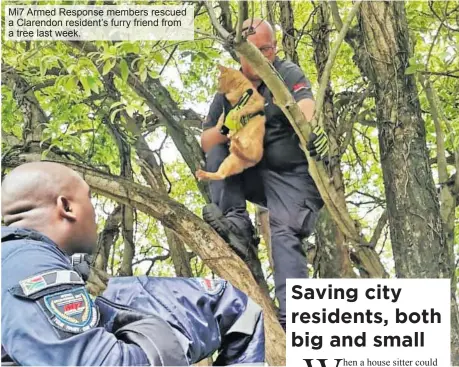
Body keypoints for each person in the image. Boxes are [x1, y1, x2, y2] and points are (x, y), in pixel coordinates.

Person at [1, 162, 264, 366]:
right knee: (229, 302)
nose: (94, 212)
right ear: (67, 206)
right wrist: (159, 337)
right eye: (90, 198)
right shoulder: (27, 261)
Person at [201, 19, 327, 329]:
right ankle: (237, 223)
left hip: (291, 178)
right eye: (253, 51)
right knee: (217, 153)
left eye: (267, 49)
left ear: (275, 48)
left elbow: (305, 104)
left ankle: (293, 319)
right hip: (253, 174)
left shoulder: (286, 72)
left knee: (284, 233)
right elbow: (206, 139)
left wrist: (308, 130)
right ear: (240, 53)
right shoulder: (231, 85)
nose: (261, 57)